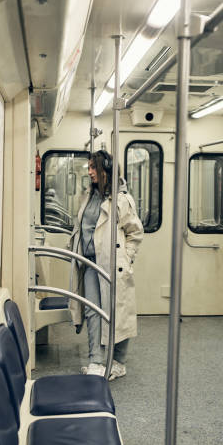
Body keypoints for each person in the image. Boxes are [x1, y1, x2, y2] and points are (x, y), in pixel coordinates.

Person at [69, 150, 143, 380]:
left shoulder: (121, 200)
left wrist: (126, 259)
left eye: (94, 167)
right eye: (89, 167)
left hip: (112, 264)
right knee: (93, 310)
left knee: (117, 310)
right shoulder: (89, 195)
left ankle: (119, 362)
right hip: (90, 262)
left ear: (106, 170)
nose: (89, 172)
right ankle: (96, 361)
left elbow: (135, 233)